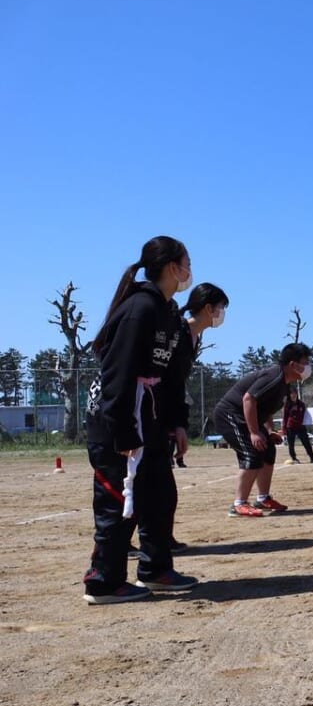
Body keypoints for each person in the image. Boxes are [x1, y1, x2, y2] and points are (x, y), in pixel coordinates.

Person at [82, 235, 200, 603]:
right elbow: (117, 373)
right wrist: (123, 433)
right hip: (117, 419)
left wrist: (176, 422)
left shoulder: (167, 312)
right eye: (186, 262)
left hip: (148, 418)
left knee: (160, 494)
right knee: (119, 500)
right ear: (171, 267)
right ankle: (104, 581)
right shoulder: (139, 309)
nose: (189, 271)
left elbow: (170, 377)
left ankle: (155, 569)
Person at [162, 282, 231, 553]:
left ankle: (159, 538)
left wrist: (178, 422)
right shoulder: (178, 331)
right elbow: (167, 379)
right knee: (154, 486)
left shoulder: (193, 336)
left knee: (163, 486)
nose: (222, 314)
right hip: (152, 413)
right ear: (207, 308)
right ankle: (147, 542)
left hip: (168, 414)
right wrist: (171, 421)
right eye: (221, 308)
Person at [215, 343, 313, 517]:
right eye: (305, 362)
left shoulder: (284, 383)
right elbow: (249, 399)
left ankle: (263, 498)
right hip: (230, 415)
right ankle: (238, 504)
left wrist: (269, 431)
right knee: (252, 454)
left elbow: (265, 408)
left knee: (268, 450)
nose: (308, 367)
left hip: (247, 417)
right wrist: (254, 433)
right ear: (292, 365)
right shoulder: (273, 376)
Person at [282, 388, 313, 464]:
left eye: (295, 393)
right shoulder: (287, 404)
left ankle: (312, 457)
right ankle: (294, 458)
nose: (293, 395)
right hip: (290, 426)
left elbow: (305, 415)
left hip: (300, 426)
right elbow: (285, 417)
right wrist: (284, 428)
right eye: (291, 394)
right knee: (291, 444)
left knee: (306, 442)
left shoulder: (301, 404)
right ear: (289, 395)